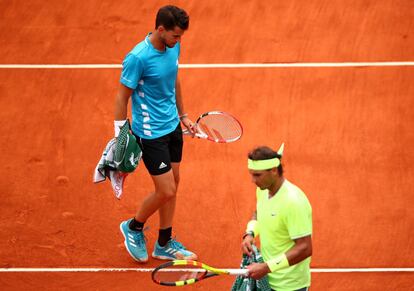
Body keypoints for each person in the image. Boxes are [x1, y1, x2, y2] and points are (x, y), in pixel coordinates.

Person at [114, 5, 197, 263]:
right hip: (150, 134)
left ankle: (164, 242)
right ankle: (134, 227)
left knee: (174, 184)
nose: (178, 40)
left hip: (172, 126)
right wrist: (120, 134)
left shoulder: (173, 47)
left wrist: (182, 116)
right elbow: (122, 96)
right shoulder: (138, 57)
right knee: (166, 190)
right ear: (160, 29)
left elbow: (174, 79)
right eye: (175, 35)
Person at [241, 144, 312, 291]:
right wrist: (250, 233)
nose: (253, 180)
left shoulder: (293, 202)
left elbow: (304, 248)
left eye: (257, 175)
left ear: (273, 171)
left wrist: (267, 267)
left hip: (290, 286)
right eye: (251, 174)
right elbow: (259, 213)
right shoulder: (263, 190)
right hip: (268, 280)